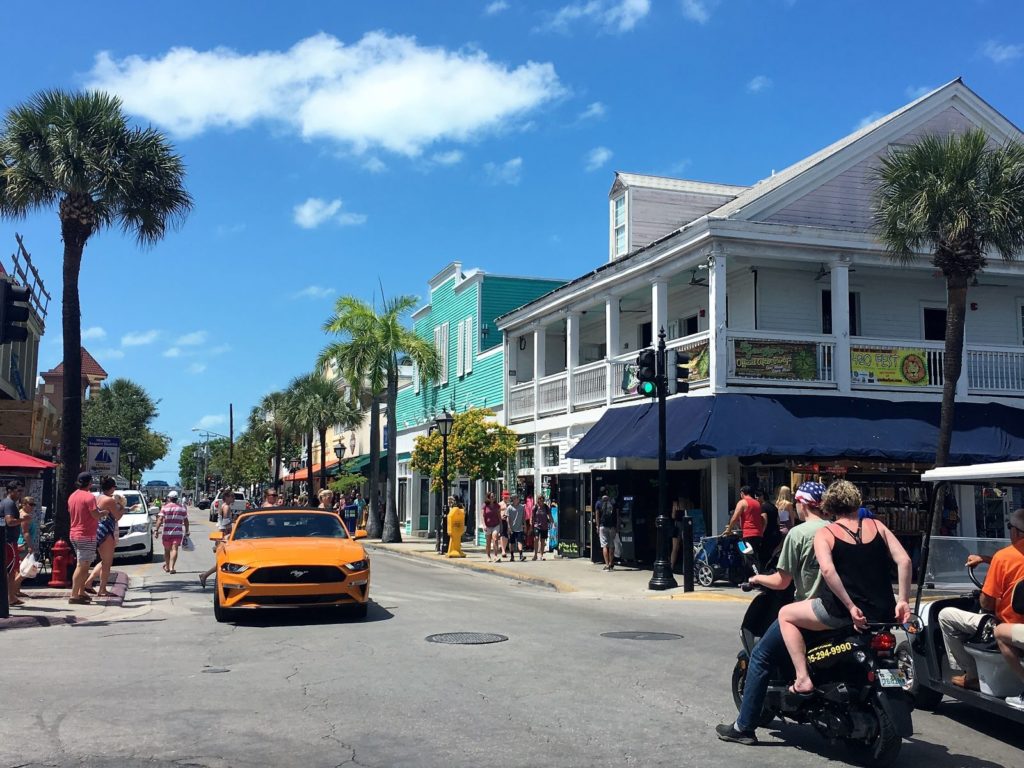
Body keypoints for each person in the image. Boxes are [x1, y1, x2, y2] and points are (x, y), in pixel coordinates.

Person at [716, 480, 828, 745]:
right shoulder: (837, 530)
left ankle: (744, 727)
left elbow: (782, 581)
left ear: (801, 504)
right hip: (840, 610)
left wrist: (757, 580)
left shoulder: (799, 534)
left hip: (808, 611)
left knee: (761, 656)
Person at [777, 480, 912, 695]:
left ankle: (802, 678)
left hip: (842, 611)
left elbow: (828, 572)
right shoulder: (878, 526)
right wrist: (903, 600)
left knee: (785, 614)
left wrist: (850, 606)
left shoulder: (827, 533)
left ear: (828, 506)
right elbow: (904, 560)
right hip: (882, 610)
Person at [937, 507, 1024, 704]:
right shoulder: (1003, 558)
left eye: (1010, 526)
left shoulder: (1004, 557)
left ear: (1016, 532)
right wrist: (985, 559)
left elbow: (986, 603)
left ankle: (972, 675)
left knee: (945, 615)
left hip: (1006, 623)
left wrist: (988, 586)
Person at [86, 478, 125, 597]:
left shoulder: (96, 497)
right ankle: (102, 589)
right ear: (112, 488)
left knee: (103, 560)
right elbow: (117, 516)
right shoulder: (109, 500)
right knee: (107, 562)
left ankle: (88, 582)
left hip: (95, 528)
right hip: (106, 530)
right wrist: (122, 506)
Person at [68, 472, 103, 604]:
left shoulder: (72, 496)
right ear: (90, 483)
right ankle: (74, 595)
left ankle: (81, 591)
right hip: (86, 534)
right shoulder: (89, 497)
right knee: (82, 565)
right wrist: (103, 513)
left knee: (83, 563)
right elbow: (95, 515)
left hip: (74, 533)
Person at [199, 489, 235, 589]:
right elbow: (226, 522)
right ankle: (206, 575)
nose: (234, 498)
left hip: (220, 533)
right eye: (232, 496)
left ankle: (205, 575)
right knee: (223, 561)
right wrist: (230, 533)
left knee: (222, 561)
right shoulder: (226, 507)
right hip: (224, 534)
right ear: (227, 497)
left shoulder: (222, 506)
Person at [724, 486, 764, 569]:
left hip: (747, 534)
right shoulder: (757, 503)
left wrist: (729, 529)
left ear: (742, 493)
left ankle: (752, 577)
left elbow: (735, 517)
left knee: (746, 555)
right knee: (755, 555)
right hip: (758, 534)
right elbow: (762, 519)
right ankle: (758, 576)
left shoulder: (742, 502)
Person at [155, 490, 189, 575]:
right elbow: (186, 520)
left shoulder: (165, 507)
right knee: (175, 549)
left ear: (169, 498)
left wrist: (156, 530)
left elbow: (160, 519)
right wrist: (187, 530)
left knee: (166, 550)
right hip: (177, 533)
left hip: (166, 533)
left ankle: (167, 566)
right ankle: (172, 567)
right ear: (177, 498)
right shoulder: (182, 508)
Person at [3, 481, 25, 606]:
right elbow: (10, 521)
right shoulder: (9, 504)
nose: (20, 493)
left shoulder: (8, 503)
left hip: (10, 541)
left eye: (21, 491)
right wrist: (23, 519)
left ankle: (10, 597)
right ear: (10, 491)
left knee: (11, 570)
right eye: (18, 491)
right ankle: (10, 597)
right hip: (9, 541)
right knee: (11, 571)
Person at [756, 488, 781, 567]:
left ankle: (765, 569)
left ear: (762, 497)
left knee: (764, 553)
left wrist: (762, 533)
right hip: (776, 532)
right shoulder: (773, 506)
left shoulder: (763, 507)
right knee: (773, 553)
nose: (756, 499)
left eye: (757, 497)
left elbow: (765, 520)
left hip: (768, 533)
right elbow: (778, 520)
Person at [597, 494, 618, 571]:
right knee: (612, 545)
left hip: (603, 526)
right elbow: (617, 515)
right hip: (612, 527)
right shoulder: (613, 503)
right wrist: (617, 527)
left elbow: (597, 515)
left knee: (604, 546)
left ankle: (606, 565)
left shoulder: (598, 503)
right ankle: (611, 564)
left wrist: (597, 526)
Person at [481, 492, 502, 562]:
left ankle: (496, 556)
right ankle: (488, 556)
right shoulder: (485, 506)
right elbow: (482, 516)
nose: (493, 497)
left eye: (493, 496)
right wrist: (484, 525)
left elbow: (499, 515)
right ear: (488, 497)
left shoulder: (497, 505)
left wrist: (501, 524)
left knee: (495, 539)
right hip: (487, 526)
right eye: (491, 496)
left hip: (496, 524)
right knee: (488, 542)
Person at [506, 494, 526, 562]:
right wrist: (509, 527)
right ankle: (512, 556)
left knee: (520, 541)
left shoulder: (522, 507)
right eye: (514, 498)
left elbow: (523, 517)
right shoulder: (509, 508)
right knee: (512, 543)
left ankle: (521, 555)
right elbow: (508, 518)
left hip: (519, 528)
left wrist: (525, 525)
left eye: (517, 498)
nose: (516, 499)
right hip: (512, 528)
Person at [532, 496, 550, 561]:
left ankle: (541, 555)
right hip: (536, 525)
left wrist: (552, 522)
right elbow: (532, 516)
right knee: (536, 538)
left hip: (544, 526)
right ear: (538, 500)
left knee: (542, 540)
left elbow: (549, 515)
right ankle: (535, 555)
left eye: (542, 500)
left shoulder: (546, 507)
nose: (541, 501)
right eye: (540, 500)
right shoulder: (535, 507)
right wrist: (531, 525)